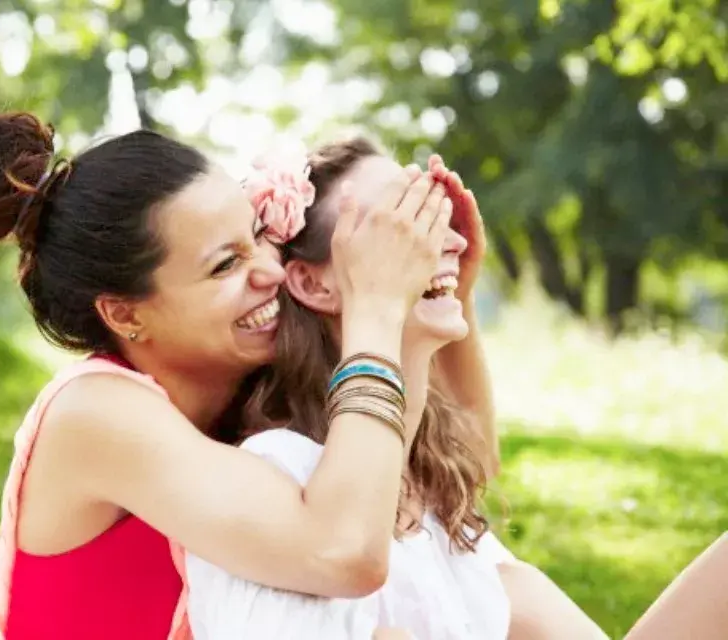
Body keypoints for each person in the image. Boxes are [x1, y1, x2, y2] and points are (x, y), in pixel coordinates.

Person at [0, 111, 455, 639]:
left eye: (256, 236)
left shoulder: (230, 392)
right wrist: (375, 313)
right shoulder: (95, 412)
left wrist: (434, 317)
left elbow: (391, 508)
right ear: (125, 314)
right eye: (225, 265)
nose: (270, 270)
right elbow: (345, 552)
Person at [181, 138, 728, 640]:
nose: (443, 239)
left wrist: (455, 290)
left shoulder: (426, 498)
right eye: (399, 224)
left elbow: (473, 450)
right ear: (311, 282)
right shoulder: (280, 477)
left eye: (432, 213)